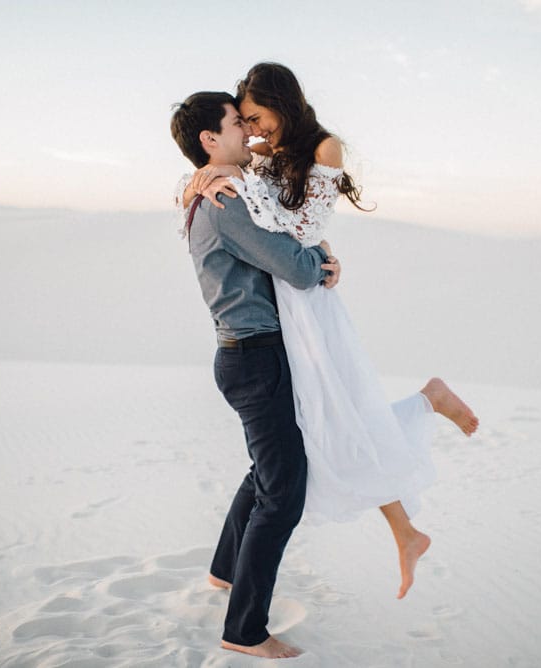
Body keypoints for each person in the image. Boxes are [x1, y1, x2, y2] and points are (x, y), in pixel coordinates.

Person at [179, 63, 479, 602]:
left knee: (336, 421)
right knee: (327, 427)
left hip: (306, 302)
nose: (251, 129)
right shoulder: (255, 159)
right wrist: (204, 178)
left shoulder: (323, 149)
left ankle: (413, 488)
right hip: (284, 302)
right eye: (242, 121)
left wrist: (317, 254)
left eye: (256, 116)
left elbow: (304, 231)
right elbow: (242, 206)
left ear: (281, 103)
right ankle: (406, 522)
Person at [170, 91, 342, 659]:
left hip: (249, 353)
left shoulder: (219, 188)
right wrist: (323, 263)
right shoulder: (224, 200)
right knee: (283, 493)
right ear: (209, 141)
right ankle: (244, 629)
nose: (247, 131)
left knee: (267, 471)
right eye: (236, 124)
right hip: (255, 356)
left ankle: (224, 570)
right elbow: (292, 267)